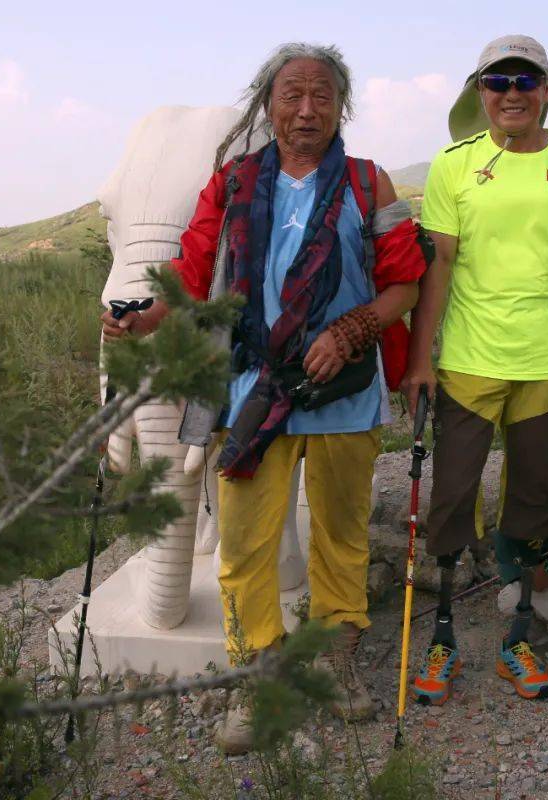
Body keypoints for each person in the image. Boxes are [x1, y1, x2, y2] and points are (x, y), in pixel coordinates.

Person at [101, 42, 426, 754]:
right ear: (268, 105)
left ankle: (337, 661)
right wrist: (144, 318)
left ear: (343, 106)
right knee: (244, 545)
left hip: (344, 394)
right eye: (291, 95)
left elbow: (405, 283)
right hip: (254, 393)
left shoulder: (371, 185)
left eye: (321, 95)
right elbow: (190, 271)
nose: (306, 109)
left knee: (338, 538)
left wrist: (351, 328)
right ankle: (258, 676)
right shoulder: (232, 184)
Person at [401, 34, 548, 705]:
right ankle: (441, 638)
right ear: (479, 92)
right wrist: (418, 358)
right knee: (450, 495)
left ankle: (516, 637)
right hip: (467, 359)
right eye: (499, 82)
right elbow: (438, 266)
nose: (513, 93)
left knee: (534, 499)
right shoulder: (454, 164)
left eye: (526, 80)